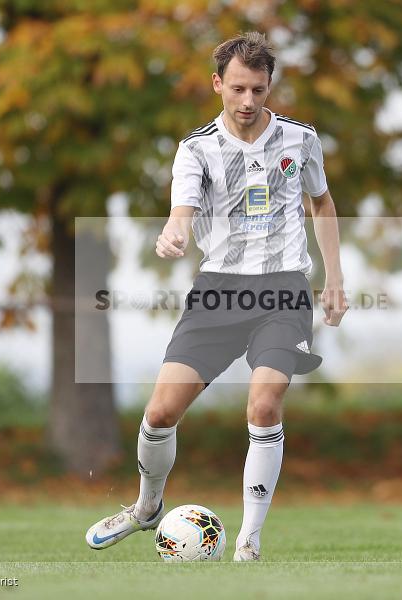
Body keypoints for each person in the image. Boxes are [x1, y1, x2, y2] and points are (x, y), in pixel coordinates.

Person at [86, 32, 347, 561]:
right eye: (237, 89)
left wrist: (335, 279)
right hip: (218, 292)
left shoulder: (300, 140)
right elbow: (181, 208)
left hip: (283, 291)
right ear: (217, 85)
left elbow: (322, 204)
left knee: (265, 402)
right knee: (159, 414)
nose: (248, 101)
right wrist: (174, 232)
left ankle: (248, 542)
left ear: (269, 85)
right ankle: (146, 507)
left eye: (258, 88)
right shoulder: (196, 148)